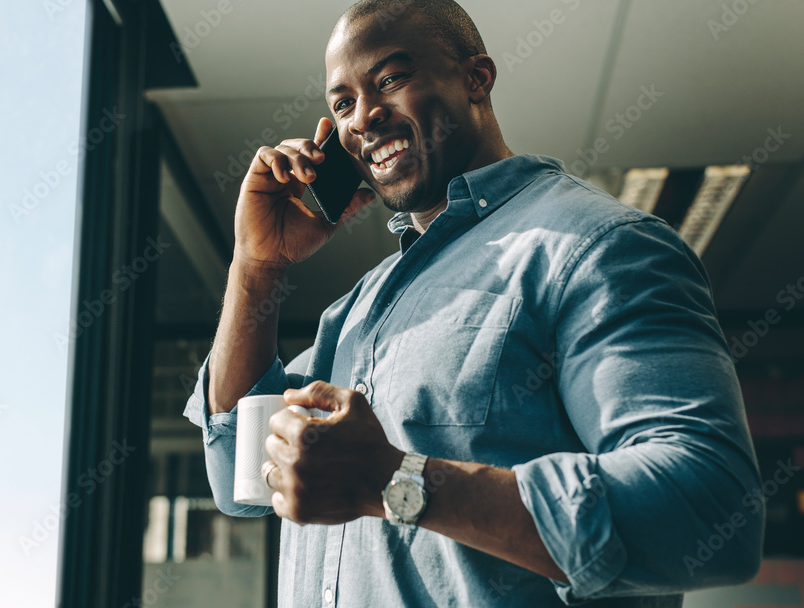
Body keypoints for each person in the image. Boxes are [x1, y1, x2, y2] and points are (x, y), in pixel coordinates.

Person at [183, 0, 764, 605]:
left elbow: (708, 510)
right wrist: (256, 266)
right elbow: (238, 477)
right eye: (342, 103)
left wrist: (397, 481)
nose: (364, 118)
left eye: (390, 79)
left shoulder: (598, 248)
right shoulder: (355, 312)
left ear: (476, 78)